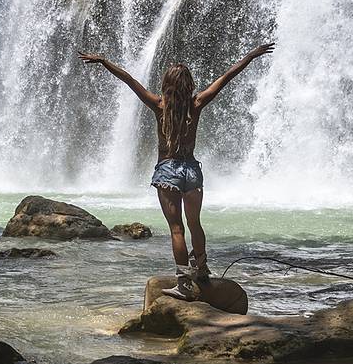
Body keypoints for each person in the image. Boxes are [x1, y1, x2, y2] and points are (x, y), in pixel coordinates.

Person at [78, 43, 275, 300]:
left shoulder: (158, 105)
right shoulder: (197, 103)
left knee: (176, 229)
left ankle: (183, 283)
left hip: (168, 170)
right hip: (192, 171)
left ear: (167, 84)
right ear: (189, 85)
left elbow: (129, 80)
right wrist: (250, 55)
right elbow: (226, 77)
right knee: (195, 225)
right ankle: (201, 270)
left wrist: (104, 61)